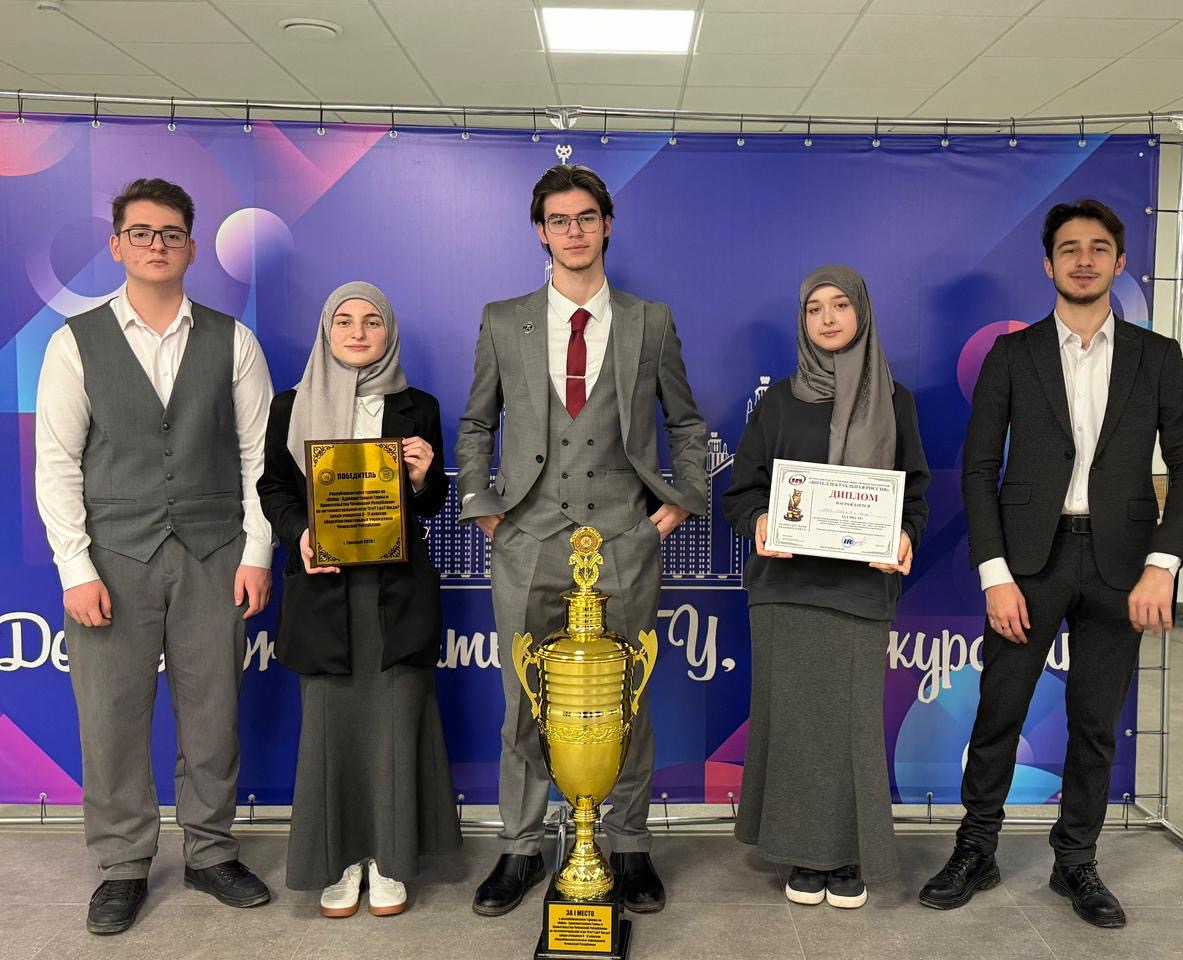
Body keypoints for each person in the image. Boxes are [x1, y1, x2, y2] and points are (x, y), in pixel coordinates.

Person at [918, 199, 1183, 928]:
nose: (1085, 259)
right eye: (1071, 249)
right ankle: (975, 849)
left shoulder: (1157, 357)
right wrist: (995, 575)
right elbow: (978, 469)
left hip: (1124, 566)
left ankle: (1076, 860)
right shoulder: (1011, 355)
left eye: (1099, 247)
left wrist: (1162, 565)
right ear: (1049, 265)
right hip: (1028, 564)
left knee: (1095, 723)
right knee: (999, 713)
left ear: (1119, 262)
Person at [456, 163, 708, 917]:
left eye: (586, 218)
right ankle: (520, 846)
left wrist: (679, 503)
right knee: (523, 699)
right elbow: (476, 424)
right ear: (541, 232)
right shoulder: (504, 319)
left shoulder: (649, 320)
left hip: (624, 538)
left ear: (607, 225)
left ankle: (626, 844)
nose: (574, 231)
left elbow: (687, 423)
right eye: (559, 220)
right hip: (527, 539)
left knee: (626, 697)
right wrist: (485, 509)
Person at [33, 178, 273, 934]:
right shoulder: (74, 342)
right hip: (113, 557)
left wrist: (257, 551)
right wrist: (76, 568)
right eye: (140, 233)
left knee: (213, 713)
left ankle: (210, 851)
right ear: (117, 246)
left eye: (170, 233)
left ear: (192, 248)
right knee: (110, 718)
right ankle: (122, 864)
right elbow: (56, 465)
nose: (156, 245)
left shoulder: (234, 341)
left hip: (214, 551)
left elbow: (260, 460)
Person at [723, 264, 930, 909]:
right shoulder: (780, 402)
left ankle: (847, 857)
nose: (829, 318)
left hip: (859, 593)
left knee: (850, 729)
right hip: (785, 591)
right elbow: (742, 492)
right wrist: (761, 522)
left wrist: (905, 535)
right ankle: (801, 855)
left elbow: (915, 493)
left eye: (841, 305)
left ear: (861, 312)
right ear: (803, 322)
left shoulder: (895, 401)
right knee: (792, 728)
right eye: (815, 309)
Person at [257, 281, 461, 918]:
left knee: (397, 719)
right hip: (324, 589)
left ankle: (391, 860)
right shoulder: (291, 405)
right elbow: (273, 489)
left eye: (372, 321)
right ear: (326, 332)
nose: (357, 332)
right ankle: (340, 861)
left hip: (395, 593)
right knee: (331, 727)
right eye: (343, 321)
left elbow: (433, 504)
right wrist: (302, 533)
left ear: (388, 333)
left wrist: (424, 476)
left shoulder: (418, 406)